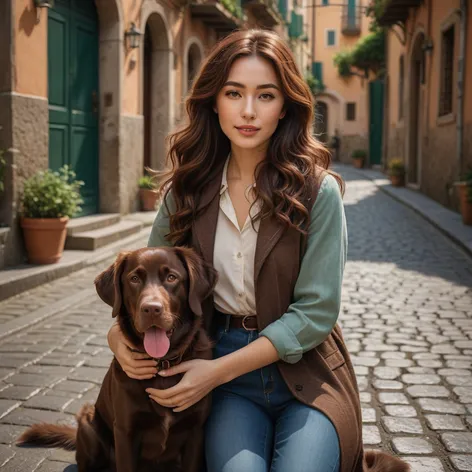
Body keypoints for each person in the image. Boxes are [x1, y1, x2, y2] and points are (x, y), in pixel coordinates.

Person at [107, 29, 363, 472]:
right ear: (213, 101)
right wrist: (116, 336)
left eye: (265, 95)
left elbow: (316, 312)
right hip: (218, 363)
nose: (248, 111)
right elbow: (145, 284)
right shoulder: (183, 193)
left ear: (286, 106)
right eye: (233, 93)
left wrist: (216, 372)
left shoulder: (319, 193)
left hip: (306, 371)